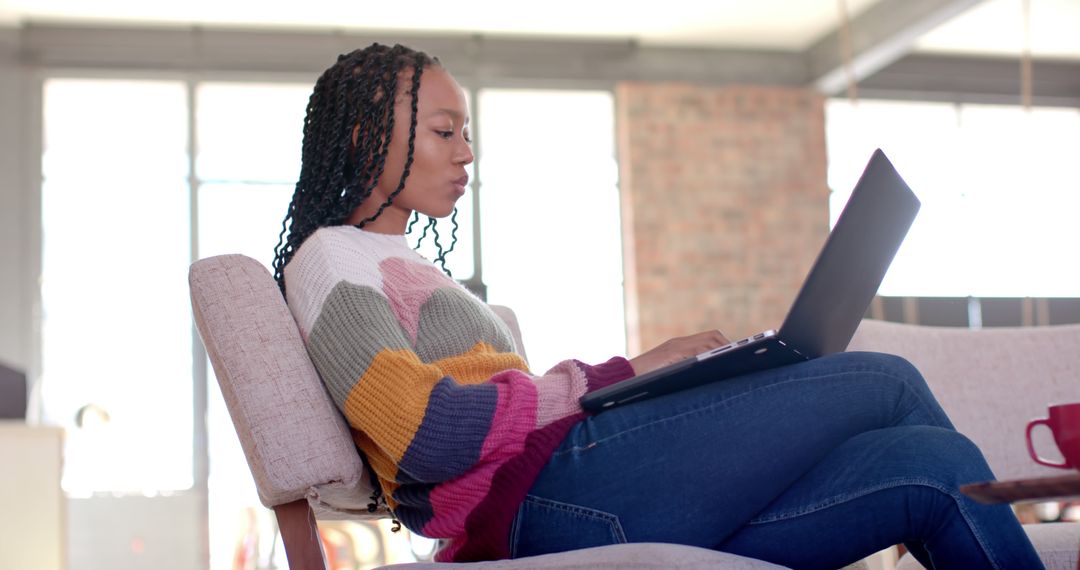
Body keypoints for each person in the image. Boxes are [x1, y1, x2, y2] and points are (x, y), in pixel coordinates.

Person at [271, 43, 1044, 569]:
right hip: (548, 505)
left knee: (938, 468)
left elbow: (501, 416)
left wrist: (645, 379)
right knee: (886, 382)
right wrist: (621, 372)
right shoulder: (329, 259)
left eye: (466, 132)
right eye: (445, 131)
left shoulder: (401, 263)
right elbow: (429, 433)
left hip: (582, 491)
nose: (467, 152)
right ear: (371, 133)